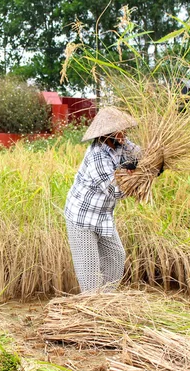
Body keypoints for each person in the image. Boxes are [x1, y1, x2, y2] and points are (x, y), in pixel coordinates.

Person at [64, 107, 142, 293]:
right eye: (120, 130)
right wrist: (138, 177)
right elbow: (115, 190)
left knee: (116, 256)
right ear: (108, 134)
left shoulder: (121, 144)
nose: (125, 133)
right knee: (90, 274)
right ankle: (91, 306)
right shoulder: (97, 156)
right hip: (82, 219)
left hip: (103, 216)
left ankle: (105, 302)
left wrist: (154, 162)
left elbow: (141, 154)